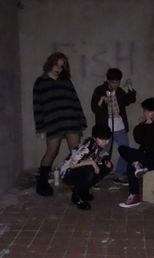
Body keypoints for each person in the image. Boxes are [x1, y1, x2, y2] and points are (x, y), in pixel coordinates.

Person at [33, 52, 87, 196]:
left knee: (76, 153)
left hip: (71, 120)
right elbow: (37, 106)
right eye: (56, 65)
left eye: (62, 67)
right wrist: (40, 128)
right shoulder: (41, 82)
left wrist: (81, 121)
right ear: (50, 63)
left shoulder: (66, 82)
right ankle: (42, 183)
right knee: (52, 152)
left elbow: (76, 102)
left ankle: (79, 186)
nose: (58, 69)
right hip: (53, 122)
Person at [118, 97, 154, 208]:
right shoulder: (146, 123)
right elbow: (138, 139)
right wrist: (143, 125)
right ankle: (137, 166)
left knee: (130, 166)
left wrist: (150, 125)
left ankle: (134, 195)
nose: (146, 113)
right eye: (145, 110)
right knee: (122, 149)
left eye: (149, 111)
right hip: (145, 155)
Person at [91, 68, 136, 185]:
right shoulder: (99, 90)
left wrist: (130, 87)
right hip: (105, 128)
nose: (116, 85)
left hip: (120, 126)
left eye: (118, 82)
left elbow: (130, 100)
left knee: (126, 151)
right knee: (103, 153)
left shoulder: (119, 91)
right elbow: (94, 108)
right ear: (108, 81)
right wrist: (101, 100)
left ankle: (119, 174)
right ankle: (96, 177)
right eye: (113, 82)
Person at [60, 124, 113, 210]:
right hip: (67, 173)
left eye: (107, 139)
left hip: (78, 170)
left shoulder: (97, 145)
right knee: (89, 171)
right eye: (102, 139)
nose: (106, 142)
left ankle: (84, 191)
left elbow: (102, 155)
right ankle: (77, 196)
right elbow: (72, 164)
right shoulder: (88, 146)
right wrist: (93, 163)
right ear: (95, 137)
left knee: (107, 167)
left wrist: (106, 161)